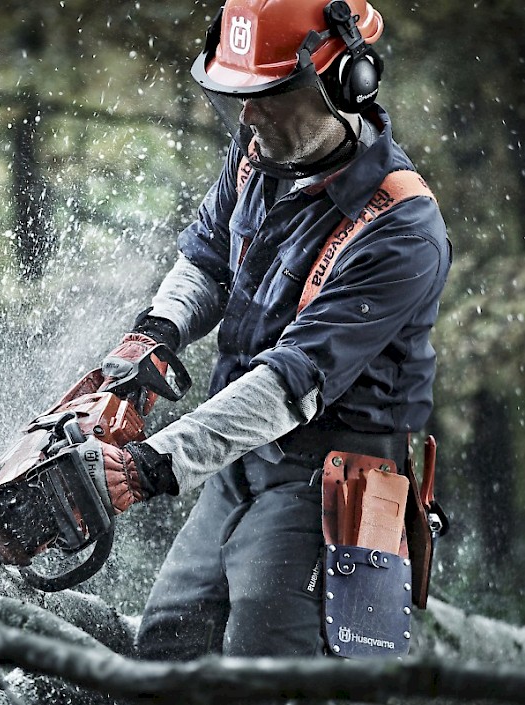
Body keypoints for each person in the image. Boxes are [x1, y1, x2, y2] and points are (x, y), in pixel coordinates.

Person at [89, 0, 451, 659]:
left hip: (333, 473)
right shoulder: (259, 156)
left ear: (348, 81)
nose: (249, 116)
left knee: (270, 657)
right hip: (243, 456)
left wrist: (153, 464)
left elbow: (292, 383)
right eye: (238, 97)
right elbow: (204, 259)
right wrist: (155, 335)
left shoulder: (402, 228)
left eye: (268, 95)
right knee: (168, 638)